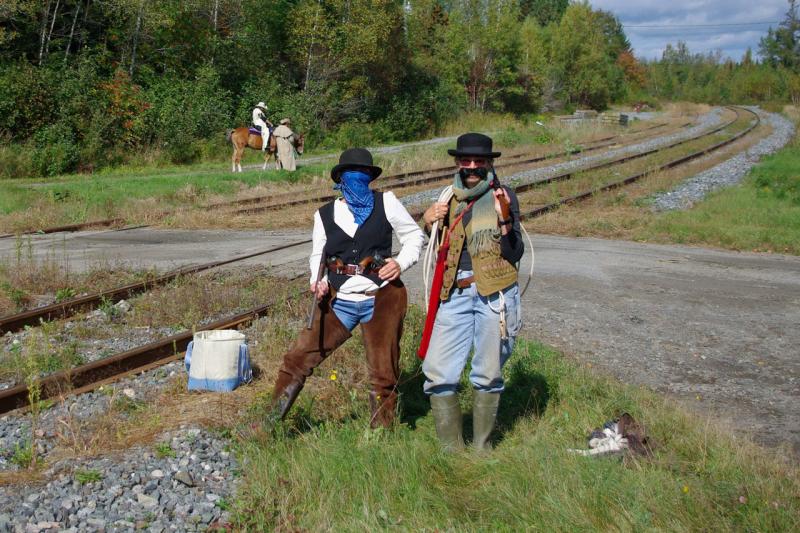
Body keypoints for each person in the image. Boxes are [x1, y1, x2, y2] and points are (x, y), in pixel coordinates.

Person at [267, 148, 425, 428]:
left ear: (369, 178)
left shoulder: (386, 202)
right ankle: (266, 423)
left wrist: (400, 263)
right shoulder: (324, 214)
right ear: (340, 180)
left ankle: (381, 434)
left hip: (382, 298)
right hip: (339, 300)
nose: (356, 182)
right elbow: (319, 255)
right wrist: (318, 280)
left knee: (383, 373)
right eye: (350, 177)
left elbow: (414, 236)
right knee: (297, 359)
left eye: (362, 176)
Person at [421, 132, 524, 451]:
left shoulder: (503, 195)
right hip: (454, 292)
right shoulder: (446, 197)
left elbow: (515, 251)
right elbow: (437, 241)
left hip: (495, 293)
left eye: (479, 161)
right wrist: (427, 221)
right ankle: (452, 450)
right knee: (438, 371)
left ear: (489, 163)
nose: (472, 167)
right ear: (457, 162)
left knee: (488, 372)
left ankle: (481, 449)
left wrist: (505, 217)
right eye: (466, 161)